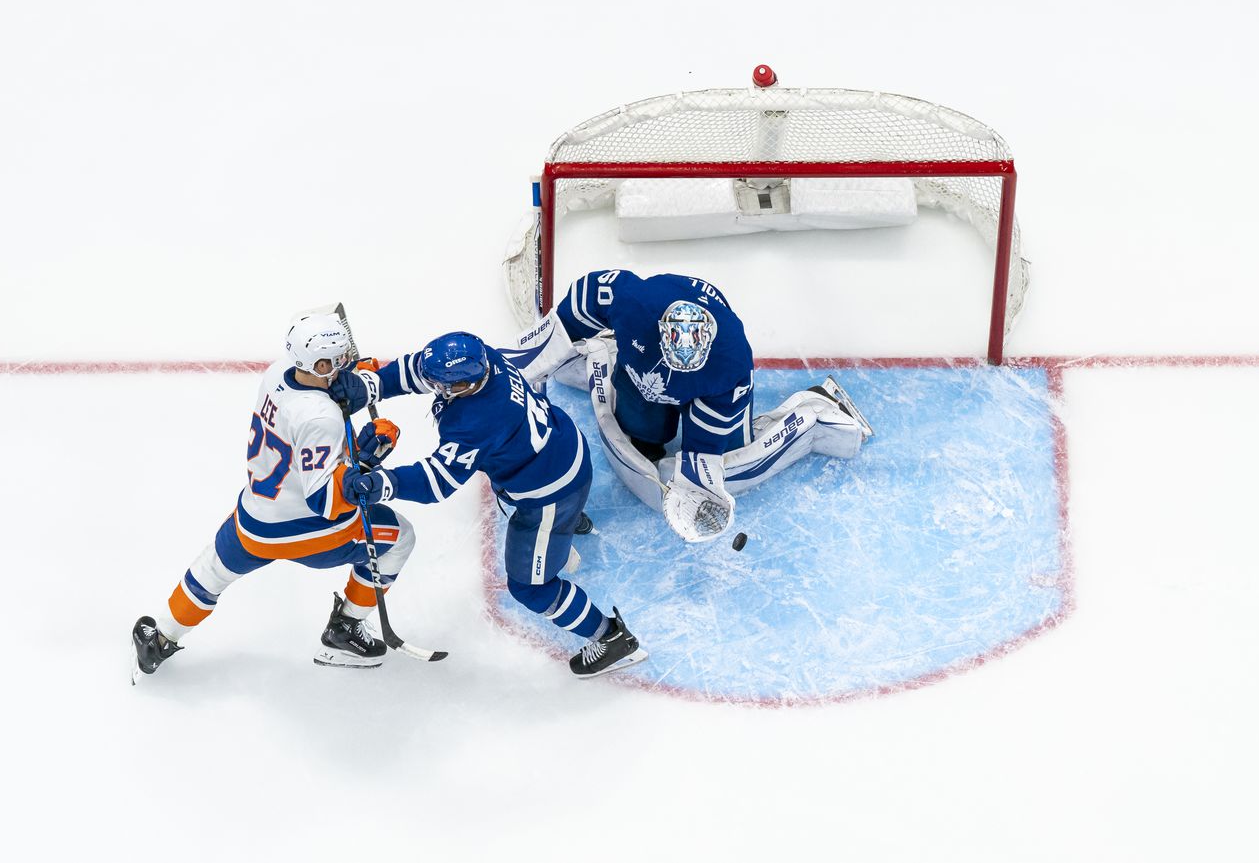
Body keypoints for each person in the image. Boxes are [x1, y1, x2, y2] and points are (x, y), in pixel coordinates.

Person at [329, 331, 644, 679]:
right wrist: (372, 386)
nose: (438, 389)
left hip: (551, 492)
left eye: (445, 386)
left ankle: (613, 638)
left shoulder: (476, 420)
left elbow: (437, 481)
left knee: (530, 588)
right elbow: (418, 370)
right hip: (564, 446)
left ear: (464, 384)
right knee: (532, 494)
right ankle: (567, 524)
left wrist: (386, 482)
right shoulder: (480, 357)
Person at [130, 311, 417, 682]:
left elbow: (303, 433)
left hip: (254, 515)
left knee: (213, 571)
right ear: (319, 363)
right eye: (337, 360)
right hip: (306, 529)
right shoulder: (321, 417)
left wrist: (358, 376)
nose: (344, 364)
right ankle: (344, 629)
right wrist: (365, 459)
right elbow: (326, 502)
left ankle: (160, 641)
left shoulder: (277, 372)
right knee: (400, 536)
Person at [510, 269, 874, 542]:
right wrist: (536, 357)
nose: (670, 373)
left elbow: (704, 450)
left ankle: (813, 408)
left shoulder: (729, 364)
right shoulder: (634, 302)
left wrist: (698, 478)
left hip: (709, 389)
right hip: (642, 353)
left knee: (735, 456)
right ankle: (609, 349)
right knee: (641, 433)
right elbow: (575, 309)